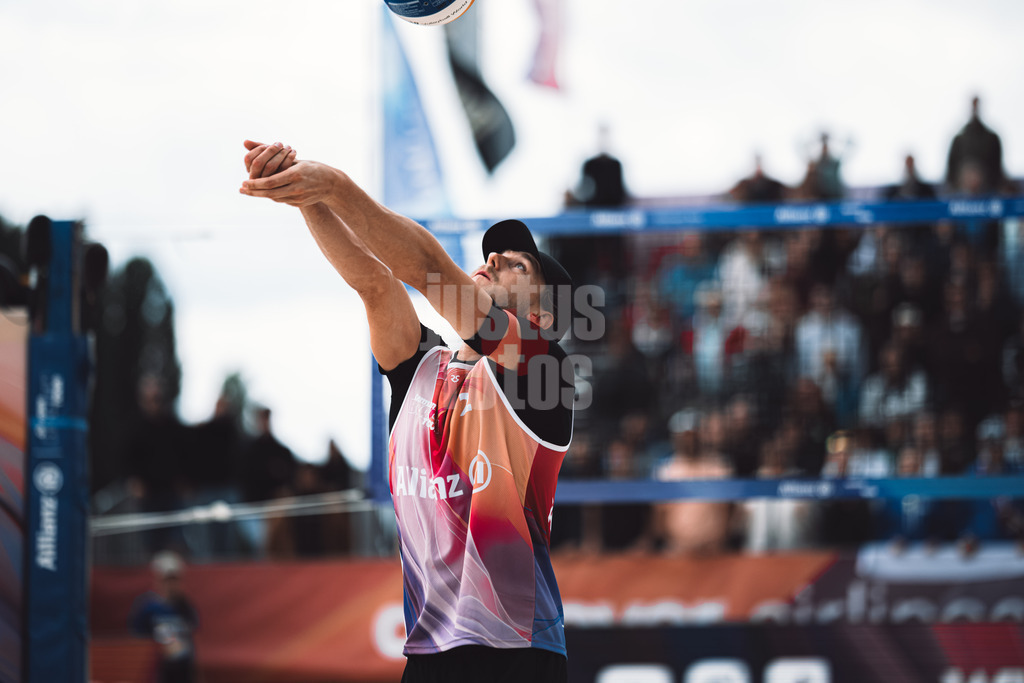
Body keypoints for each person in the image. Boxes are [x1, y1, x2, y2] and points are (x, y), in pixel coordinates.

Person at [240, 140, 575, 682]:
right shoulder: (421, 370)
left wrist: (333, 185)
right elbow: (375, 282)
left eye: (518, 266)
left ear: (540, 317)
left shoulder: (544, 369)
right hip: (430, 650)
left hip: (519, 650)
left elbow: (427, 269)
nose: (492, 260)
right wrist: (305, 195)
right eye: (492, 256)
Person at [129, 551, 199, 683]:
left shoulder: (185, 606)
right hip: (157, 668)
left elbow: (192, 629)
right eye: (167, 580)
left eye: (175, 580)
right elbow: (137, 636)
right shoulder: (147, 607)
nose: (171, 585)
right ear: (158, 579)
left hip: (183, 668)